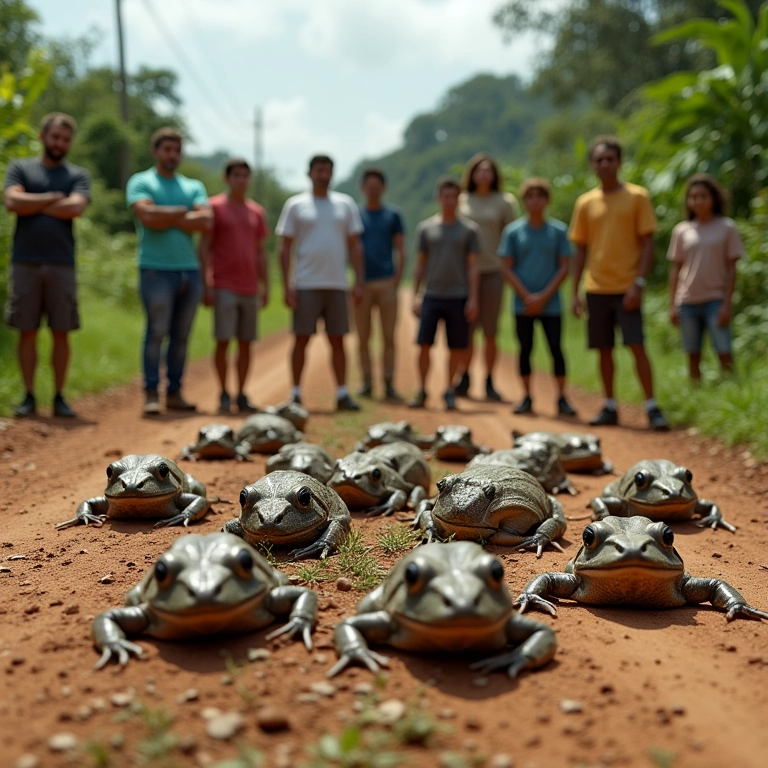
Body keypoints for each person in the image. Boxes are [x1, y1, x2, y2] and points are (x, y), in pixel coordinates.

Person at [569, 135, 669, 430]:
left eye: (609, 159)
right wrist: (575, 291)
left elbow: (648, 243)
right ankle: (610, 405)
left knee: (637, 345)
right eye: (599, 160)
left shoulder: (638, 197)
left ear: (619, 162)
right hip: (596, 288)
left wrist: (638, 282)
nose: (604, 164)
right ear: (592, 165)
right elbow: (580, 249)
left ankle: (652, 406)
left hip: (627, 287)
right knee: (603, 349)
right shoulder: (585, 202)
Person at [3, 112, 90, 418]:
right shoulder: (20, 168)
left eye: (65, 139)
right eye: (55, 137)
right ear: (42, 136)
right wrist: (55, 198)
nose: (59, 143)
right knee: (26, 331)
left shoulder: (77, 175)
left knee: (61, 332)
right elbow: (12, 202)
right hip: (25, 263)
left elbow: (76, 207)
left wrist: (34, 201)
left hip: (61, 264)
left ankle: (59, 396)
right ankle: (28, 396)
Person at [126, 127, 212, 416]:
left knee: (181, 335)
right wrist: (183, 213)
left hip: (189, 270)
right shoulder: (141, 181)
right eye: (167, 149)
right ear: (156, 151)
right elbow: (146, 216)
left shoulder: (193, 185)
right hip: (155, 269)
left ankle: (174, 392)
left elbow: (206, 220)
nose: (172, 155)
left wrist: (164, 213)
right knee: (156, 332)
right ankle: (151, 393)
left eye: (177, 150)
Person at [276, 155, 364, 411]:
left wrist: (358, 280)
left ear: (332, 174)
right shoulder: (295, 205)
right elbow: (284, 247)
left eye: (327, 170)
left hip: (337, 284)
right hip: (305, 284)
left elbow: (355, 245)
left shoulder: (345, 204)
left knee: (338, 340)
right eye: (318, 170)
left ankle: (342, 393)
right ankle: (294, 394)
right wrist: (286, 284)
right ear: (309, 173)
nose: (323, 174)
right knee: (301, 339)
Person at [499, 178, 576, 416]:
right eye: (530, 197)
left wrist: (543, 297)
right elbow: (506, 267)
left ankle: (562, 397)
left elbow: (564, 267)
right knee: (525, 348)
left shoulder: (558, 231)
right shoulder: (513, 232)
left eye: (539, 196)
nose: (535, 201)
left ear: (547, 200)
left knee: (556, 349)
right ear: (524, 201)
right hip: (522, 305)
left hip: (551, 304)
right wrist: (527, 296)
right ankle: (526, 397)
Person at [199, 158, 269, 414]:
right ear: (226, 178)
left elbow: (261, 252)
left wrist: (266, 285)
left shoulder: (256, 212)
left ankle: (241, 393)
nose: (241, 180)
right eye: (236, 175)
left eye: (245, 175)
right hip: (223, 285)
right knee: (223, 341)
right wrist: (205, 282)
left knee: (246, 343)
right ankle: (223, 392)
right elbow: (204, 246)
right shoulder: (214, 207)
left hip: (249, 287)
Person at [410, 176, 479, 411]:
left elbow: (473, 267)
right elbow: (420, 264)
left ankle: (449, 389)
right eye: (445, 196)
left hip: (459, 296)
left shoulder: (469, 230)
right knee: (424, 344)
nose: (450, 201)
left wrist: (473, 297)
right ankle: (421, 389)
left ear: (459, 199)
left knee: (457, 347)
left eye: (454, 196)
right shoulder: (426, 228)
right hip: (432, 294)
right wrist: (415, 294)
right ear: (438, 198)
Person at [455, 153, 518, 400]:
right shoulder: (462, 200)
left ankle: (490, 380)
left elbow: (511, 236)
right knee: (467, 330)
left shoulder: (505, 201)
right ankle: (465, 377)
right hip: (464, 273)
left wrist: (508, 268)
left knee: (490, 331)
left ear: (494, 174)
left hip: (493, 271)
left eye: (488, 170)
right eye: (479, 170)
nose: (483, 174)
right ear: (471, 173)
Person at [668, 174, 743, 381]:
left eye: (703, 196)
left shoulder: (727, 228)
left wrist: (727, 304)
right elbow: (676, 270)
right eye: (693, 197)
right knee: (692, 353)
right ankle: (696, 395)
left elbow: (732, 270)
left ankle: (730, 390)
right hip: (688, 300)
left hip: (715, 299)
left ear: (714, 198)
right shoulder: (682, 230)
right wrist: (673, 304)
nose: (697, 201)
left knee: (724, 350)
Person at [355, 166, 405, 400]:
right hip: (362, 284)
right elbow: (351, 248)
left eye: (377, 186)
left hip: (386, 283)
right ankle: (366, 381)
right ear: (363, 188)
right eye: (369, 186)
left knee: (388, 336)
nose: (373, 190)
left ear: (383, 188)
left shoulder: (393, 216)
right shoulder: (356, 216)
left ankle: (388, 381)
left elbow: (401, 249)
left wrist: (396, 280)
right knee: (363, 336)